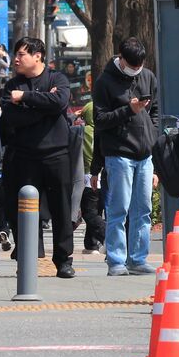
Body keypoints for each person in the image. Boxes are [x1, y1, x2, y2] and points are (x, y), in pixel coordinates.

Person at [0, 37, 76, 278]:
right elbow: (13, 117)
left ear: (38, 56)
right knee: (22, 209)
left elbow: (60, 101)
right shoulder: (12, 84)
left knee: (61, 209)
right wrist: (46, 108)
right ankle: (27, 256)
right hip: (24, 156)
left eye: (22, 54)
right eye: (16, 54)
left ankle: (63, 259)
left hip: (56, 155)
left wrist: (25, 99)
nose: (17, 59)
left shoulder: (57, 79)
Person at [92, 36, 159, 276]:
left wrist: (153, 133)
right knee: (118, 209)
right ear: (120, 58)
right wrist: (128, 110)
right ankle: (116, 260)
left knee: (143, 209)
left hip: (145, 155)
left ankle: (138, 258)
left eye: (139, 66)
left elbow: (156, 111)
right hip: (119, 154)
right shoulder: (105, 82)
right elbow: (99, 120)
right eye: (132, 66)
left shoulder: (148, 77)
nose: (136, 70)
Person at [79, 100, 105, 255]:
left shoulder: (84, 131)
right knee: (98, 210)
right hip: (105, 175)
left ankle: (106, 235)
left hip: (88, 176)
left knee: (89, 212)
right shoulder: (105, 129)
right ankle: (90, 243)